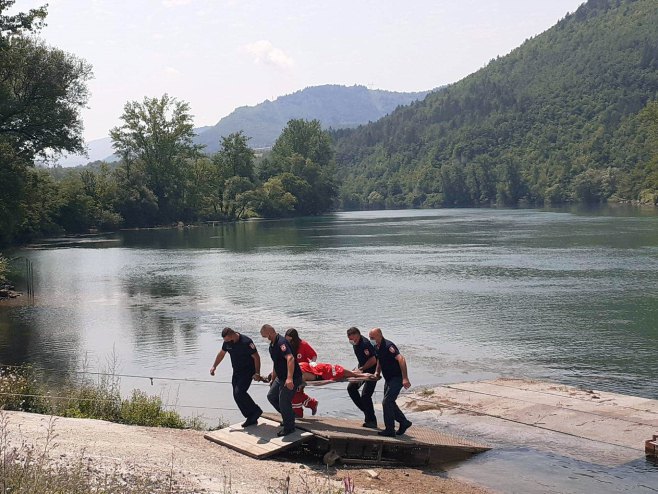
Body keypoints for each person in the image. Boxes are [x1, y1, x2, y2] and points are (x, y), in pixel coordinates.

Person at [210, 327, 262, 427]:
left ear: (232, 335)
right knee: (236, 394)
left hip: (248, 371)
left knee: (240, 392)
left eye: (228, 340)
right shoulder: (227, 343)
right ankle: (251, 416)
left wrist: (257, 373)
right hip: (237, 371)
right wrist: (214, 366)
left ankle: (256, 411)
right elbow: (221, 354)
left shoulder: (246, 342)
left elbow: (256, 357)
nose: (227, 342)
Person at [260, 323, 303, 436]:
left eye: (265, 336)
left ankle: (289, 428)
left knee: (284, 401)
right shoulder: (272, 346)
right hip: (280, 377)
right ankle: (289, 416)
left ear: (270, 333)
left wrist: (289, 378)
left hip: (292, 377)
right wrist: (273, 379)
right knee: (271, 396)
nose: (266, 339)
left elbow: (290, 358)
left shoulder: (281, 343)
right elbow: (276, 363)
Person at [368, 327, 412, 437]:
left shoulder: (388, 346)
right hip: (388, 379)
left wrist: (405, 378)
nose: (371, 339)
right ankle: (404, 422)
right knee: (389, 402)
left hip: (397, 378)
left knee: (386, 402)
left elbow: (401, 359)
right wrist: (377, 373)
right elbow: (379, 360)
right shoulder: (376, 346)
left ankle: (390, 430)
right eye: (370, 337)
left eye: (372, 337)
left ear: (380, 336)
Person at [346, 326, 378, 429]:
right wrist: (355, 370)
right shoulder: (356, 343)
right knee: (351, 388)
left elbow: (373, 360)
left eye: (351, 338)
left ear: (357, 335)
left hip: (372, 371)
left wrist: (362, 368)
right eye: (349, 339)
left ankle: (372, 421)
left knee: (365, 395)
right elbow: (361, 359)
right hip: (362, 369)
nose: (350, 341)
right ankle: (367, 413)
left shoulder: (365, 344)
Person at [284, 328, 318, 417]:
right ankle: (312, 403)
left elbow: (313, 355)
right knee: (295, 393)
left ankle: (298, 414)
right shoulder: (286, 346)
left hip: (302, 373)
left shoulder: (303, 345)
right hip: (291, 372)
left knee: (295, 393)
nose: (289, 343)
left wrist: (312, 364)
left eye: (290, 340)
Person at [298, 361, 374, 382]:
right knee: (344, 372)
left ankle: (361, 375)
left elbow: (302, 379)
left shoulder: (300, 373)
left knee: (341, 372)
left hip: (323, 372)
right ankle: (358, 374)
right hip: (320, 368)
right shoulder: (299, 365)